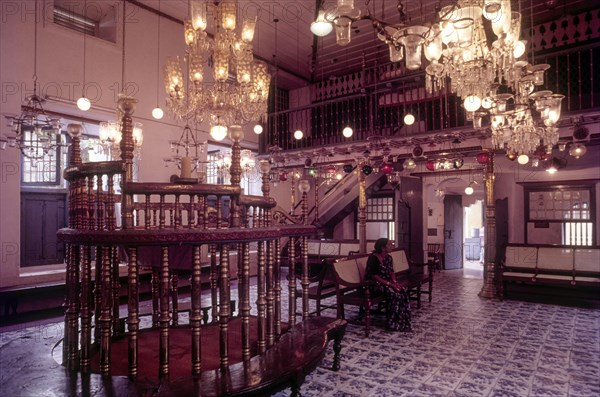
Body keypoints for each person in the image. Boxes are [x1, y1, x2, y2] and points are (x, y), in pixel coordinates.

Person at [365, 238, 412, 332]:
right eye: (390, 244)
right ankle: (392, 323)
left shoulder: (388, 257)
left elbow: (391, 271)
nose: (392, 246)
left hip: (388, 282)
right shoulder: (373, 258)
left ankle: (403, 322)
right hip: (375, 284)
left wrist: (394, 282)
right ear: (383, 247)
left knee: (403, 291)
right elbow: (374, 276)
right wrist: (390, 284)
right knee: (394, 294)